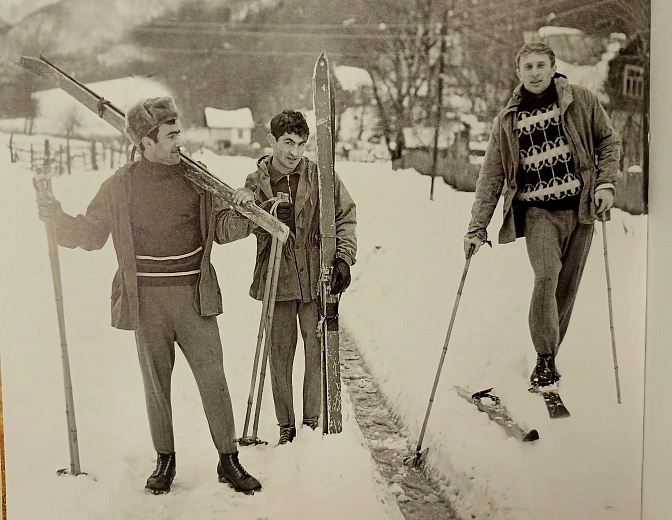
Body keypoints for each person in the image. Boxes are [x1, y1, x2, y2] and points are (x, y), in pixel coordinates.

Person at [36, 97, 261, 495]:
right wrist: (59, 221)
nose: (180, 142)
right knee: (156, 385)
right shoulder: (119, 187)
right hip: (147, 301)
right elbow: (91, 233)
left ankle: (229, 460)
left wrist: (247, 210)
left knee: (214, 379)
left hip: (194, 297)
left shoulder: (197, 178)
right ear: (146, 141)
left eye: (179, 133)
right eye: (172, 135)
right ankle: (165, 460)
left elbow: (222, 229)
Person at [463, 42, 620, 389]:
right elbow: (491, 177)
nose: (534, 73)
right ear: (518, 73)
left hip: (581, 210)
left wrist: (606, 184)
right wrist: (477, 227)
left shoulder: (581, 100)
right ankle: (545, 358)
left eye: (540, 65)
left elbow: (608, 142)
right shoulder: (507, 120)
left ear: (553, 68)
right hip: (538, 213)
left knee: (566, 288)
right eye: (527, 67)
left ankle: (551, 351)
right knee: (547, 277)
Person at [230, 110, 357, 445]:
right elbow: (241, 221)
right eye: (287, 143)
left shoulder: (321, 176)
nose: (294, 152)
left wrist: (344, 258)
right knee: (280, 353)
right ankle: (286, 429)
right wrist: (263, 210)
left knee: (315, 350)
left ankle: (311, 424)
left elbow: (345, 216)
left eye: (301, 144)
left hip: (316, 278)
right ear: (271, 141)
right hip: (278, 278)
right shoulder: (255, 182)